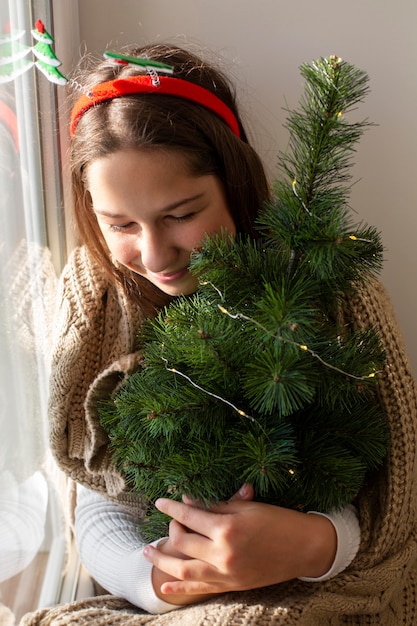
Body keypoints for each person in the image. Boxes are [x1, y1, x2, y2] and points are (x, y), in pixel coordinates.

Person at [46, 43, 417, 625]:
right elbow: (96, 500)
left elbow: (393, 493)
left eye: (181, 214)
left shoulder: (334, 290)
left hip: (319, 580)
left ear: (236, 186)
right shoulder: (95, 304)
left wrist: (312, 544)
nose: (154, 253)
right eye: (120, 224)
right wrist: (164, 581)